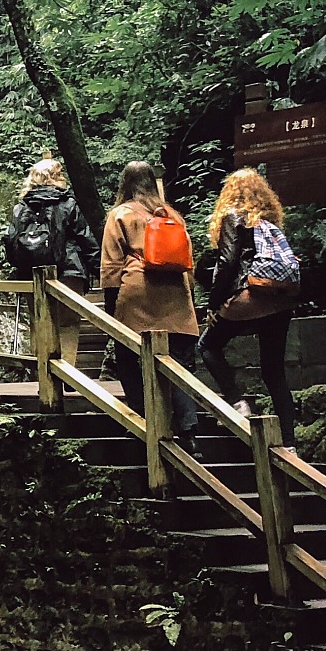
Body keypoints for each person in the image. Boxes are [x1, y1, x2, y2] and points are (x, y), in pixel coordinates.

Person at [198, 167, 299, 450]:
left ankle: (237, 401)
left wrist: (214, 303)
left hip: (249, 297)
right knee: (274, 371)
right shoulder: (269, 224)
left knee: (208, 345)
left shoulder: (233, 217)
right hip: (279, 301)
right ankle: (290, 443)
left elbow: (229, 263)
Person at [99, 160, 198, 443]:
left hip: (137, 293)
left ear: (124, 184)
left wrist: (112, 308)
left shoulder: (120, 215)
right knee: (176, 364)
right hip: (176, 295)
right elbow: (187, 263)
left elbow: (111, 266)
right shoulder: (172, 216)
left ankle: (141, 422)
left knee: (130, 359)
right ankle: (189, 429)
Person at [3, 157, 97, 363]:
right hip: (69, 272)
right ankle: (67, 374)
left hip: (31, 275)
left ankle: (43, 377)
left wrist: (19, 264)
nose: (63, 177)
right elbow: (84, 236)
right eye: (59, 173)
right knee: (68, 324)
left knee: (40, 322)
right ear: (53, 178)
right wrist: (98, 268)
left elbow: (10, 240)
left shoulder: (21, 207)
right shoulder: (68, 204)